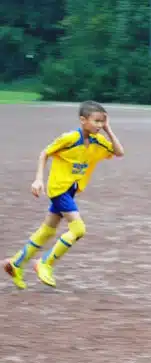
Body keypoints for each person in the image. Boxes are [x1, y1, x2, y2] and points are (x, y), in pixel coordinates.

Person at [2, 100, 125, 289]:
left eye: (103, 122)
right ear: (83, 120)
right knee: (78, 229)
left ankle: (16, 263)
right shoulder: (69, 138)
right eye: (97, 121)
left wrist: (108, 130)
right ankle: (45, 263)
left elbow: (119, 152)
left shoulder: (97, 141)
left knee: (48, 230)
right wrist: (38, 179)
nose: (100, 125)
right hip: (59, 189)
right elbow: (45, 153)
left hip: (70, 190)